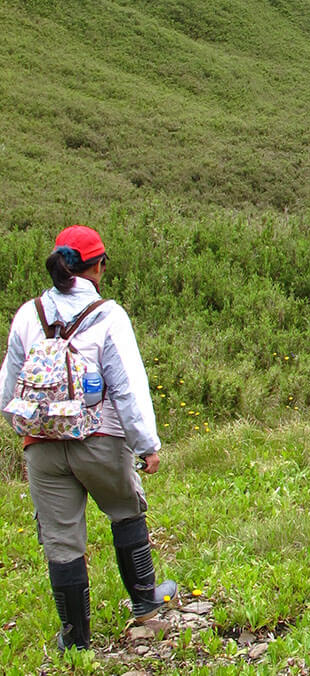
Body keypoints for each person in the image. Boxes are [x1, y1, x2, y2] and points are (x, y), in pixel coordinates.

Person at [1, 225, 176, 651]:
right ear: (96, 266)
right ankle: (145, 609)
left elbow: (9, 387)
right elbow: (128, 388)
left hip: (41, 446)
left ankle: (75, 639)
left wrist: (29, 431)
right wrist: (146, 445)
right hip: (100, 441)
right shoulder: (107, 314)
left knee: (61, 542)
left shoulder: (29, 313)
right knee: (125, 513)